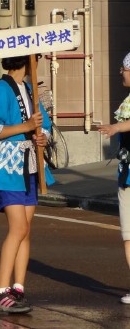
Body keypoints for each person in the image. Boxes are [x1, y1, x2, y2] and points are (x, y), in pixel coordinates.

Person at [0, 55, 54, 313]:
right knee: (18, 228)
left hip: (30, 164)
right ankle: (0, 290)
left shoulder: (29, 89)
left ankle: (18, 287)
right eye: (36, 60)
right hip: (8, 164)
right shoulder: (0, 89)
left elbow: (44, 124)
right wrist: (26, 125)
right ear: (26, 62)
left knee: (26, 229)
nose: (38, 64)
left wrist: (42, 136)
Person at [98, 52, 130, 304]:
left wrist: (116, 127)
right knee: (128, 234)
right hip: (126, 173)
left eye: (124, 68)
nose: (121, 72)